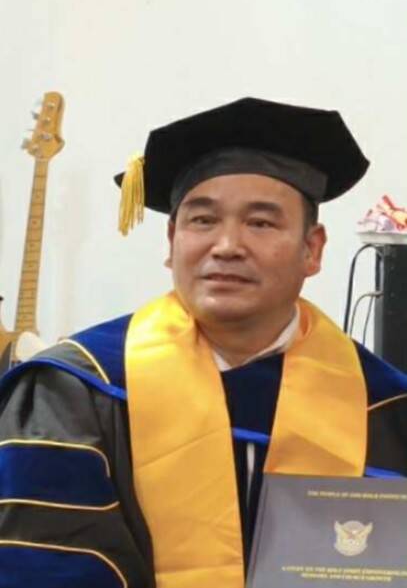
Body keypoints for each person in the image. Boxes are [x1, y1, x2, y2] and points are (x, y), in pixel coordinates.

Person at [1, 97, 407, 588]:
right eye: (202, 220)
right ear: (172, 240)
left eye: (261, 223)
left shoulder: (384, 404)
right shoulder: (75, 390)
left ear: (312, 249)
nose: (227, 246)